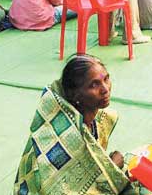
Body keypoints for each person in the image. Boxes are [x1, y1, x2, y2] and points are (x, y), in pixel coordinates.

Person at [13, 55, 135, 194]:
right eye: (94, 85)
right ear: (75, 95)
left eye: (106, 79)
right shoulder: (64, 138)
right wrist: (112, 166)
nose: (105, 89)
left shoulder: (98, 120)